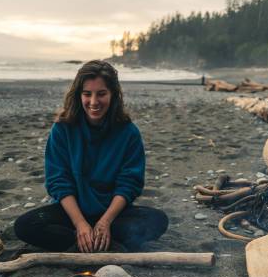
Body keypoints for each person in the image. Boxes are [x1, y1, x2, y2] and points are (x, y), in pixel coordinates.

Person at [14, 60, 168, 252]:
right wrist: (80, 224)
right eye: (87, 94)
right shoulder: (63, 129)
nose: (94, 102)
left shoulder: (128, 132)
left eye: (101, 94)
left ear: (113, 94)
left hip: (112, 213)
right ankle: (90, 241)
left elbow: (129, 183)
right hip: (72, 213)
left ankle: (91, 241)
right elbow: (58, 181)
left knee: (157, 220)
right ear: (79, 95)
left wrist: (105, 222)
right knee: (25, 226)